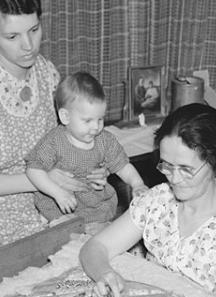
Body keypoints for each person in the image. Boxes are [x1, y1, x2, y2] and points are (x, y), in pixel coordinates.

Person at [0, 0, 106, 256]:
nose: (28, 45)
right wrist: (40, 180)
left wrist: (90, 163)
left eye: (34, 29)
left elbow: (62, 139)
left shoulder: (45, 71)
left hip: (46, 200)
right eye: (12, 36)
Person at [79, 103, 216, 297]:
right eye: (167, 165)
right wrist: (105, 273)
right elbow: (95, 247)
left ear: (214, 161)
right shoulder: (158, 201)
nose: (174, 178)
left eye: (186, 169)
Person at [25, 71, 148, 229]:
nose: (96, 127)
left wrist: (137, 184)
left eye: (100, 119)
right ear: (65, 117)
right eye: (88, 120)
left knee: (100, 236)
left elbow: (122, 165)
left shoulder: (105, 140)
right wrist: (57, 192)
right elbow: (33, 169)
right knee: (63, 236)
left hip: (95, 205)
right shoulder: (54, 141)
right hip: (60, 206)